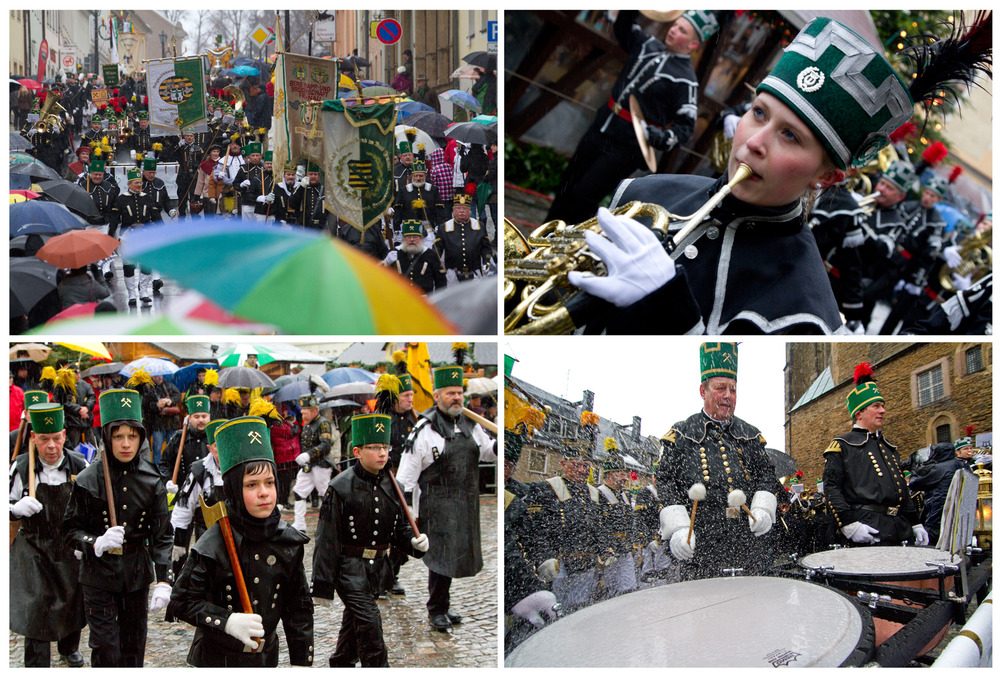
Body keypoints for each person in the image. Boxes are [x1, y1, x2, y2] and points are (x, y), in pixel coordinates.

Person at [563, 16, 990, 336]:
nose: (753, 142)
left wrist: (665, 309)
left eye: (789, 135)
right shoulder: (642, 191)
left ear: (826, 178)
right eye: (759, 113)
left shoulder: (807, 308)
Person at [167, 416, 314, 667]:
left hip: (266, 660)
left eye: (269, 483)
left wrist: (302, 664)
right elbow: (181, 603)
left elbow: (298, 611)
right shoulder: (213, 543)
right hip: (216, 660)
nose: (264, 493)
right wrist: (225, 620)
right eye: (251, 485)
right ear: (234, 489)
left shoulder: (287, 541)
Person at [545, 11, 716, 225]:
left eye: (682, 30)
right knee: (567, 184)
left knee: (584, 196)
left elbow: (685, 128)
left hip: (627, 148)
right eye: (675, 25)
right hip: (601, 127)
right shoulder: (647, 45)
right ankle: (541, 236)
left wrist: (661, 137)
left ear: (693, 45)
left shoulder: (687, 80)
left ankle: (561, 248)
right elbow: (623, 27)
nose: (673, 29)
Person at [63, 388, 173, 667]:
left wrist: (163, 579)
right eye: (118, 436)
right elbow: (69, 531)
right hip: (97, 575)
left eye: (132, 436)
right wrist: (95, 542)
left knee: (133, 647)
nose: (126, 444)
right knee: (106, 647)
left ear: (140, 437)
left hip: (136, 575)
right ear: (107, 437)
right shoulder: (88, 480)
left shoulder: (151, 479)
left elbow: (162, 535)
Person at [312, 413, 430, 666]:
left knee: (354, 624)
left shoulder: (394, 485)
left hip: (377, 569)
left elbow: (399, 530)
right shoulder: (340, 487)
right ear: (357, 451)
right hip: (348, 568)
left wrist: (415, 544)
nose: (382, 453)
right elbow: (326, 538)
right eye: (374, 447)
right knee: (370, 626)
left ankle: (341, 663)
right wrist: (322, 584)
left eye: (385, 447)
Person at [656, 343, 780, 580]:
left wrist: (763, 509)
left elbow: (766, 474)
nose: (728, 396)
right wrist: (679, 528)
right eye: (720, 388)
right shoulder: (682, 433)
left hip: (746, 537)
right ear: (703, 392)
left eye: (733, 389)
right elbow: (664, 480)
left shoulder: (750, 433)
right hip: (701, 537)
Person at [397, 365, 497, 632]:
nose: (457, 398)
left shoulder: (472, 424)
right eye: (450, 393)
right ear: (437, 395)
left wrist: (504, 442)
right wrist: (405, 511)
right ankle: (436, 609)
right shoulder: (423, 430)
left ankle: (444, 603)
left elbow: (488, 452)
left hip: (465, 503)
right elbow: (405, 477)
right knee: (440, 558)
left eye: (459, 393)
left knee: (453, 556)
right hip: (435, 505)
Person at [10, 403, 88, 667]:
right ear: (34, 438)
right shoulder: (21, 468)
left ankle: (69, 647)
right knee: (37, 608)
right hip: (34, 547)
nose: (52, 446)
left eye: (56, 438)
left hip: (68, 545)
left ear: (65, 436)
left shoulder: (80, 465)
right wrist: (13, 509)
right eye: (44, 440)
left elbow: (91, 505)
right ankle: (36, 663)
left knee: (71, 597)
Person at [821, 363, 928, 547]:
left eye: (883, 406)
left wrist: (915, 522)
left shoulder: (889, 448)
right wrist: (849, 525)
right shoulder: (842, 445)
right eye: (876, 406)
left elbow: (902, 490)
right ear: (860, 413)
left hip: (899, 529)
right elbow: (832, 488)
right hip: (867, 528)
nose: (883, 411)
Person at [514, 442, 601, 614]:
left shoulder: (593, 492)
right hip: (558, 560)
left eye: (586, 466)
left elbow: (596, 526)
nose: (582, 470)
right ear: (563, 464)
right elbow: (536, 530)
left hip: (586, 559)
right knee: (557, 608)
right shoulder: (545, 488)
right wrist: (544, 557)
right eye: (576, 465)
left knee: (581, 606)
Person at [170, 418, 227, 573]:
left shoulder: (243, 469)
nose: (223, 451)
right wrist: (179, 543)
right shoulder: (200, 472)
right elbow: (183, 508)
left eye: (227, 445)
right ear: (209, 448)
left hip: (238, 538)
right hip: (207, 540)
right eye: (217, 447)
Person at [908, 437, 975, 545]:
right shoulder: (963, 465)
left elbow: (914, 484)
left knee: (933, 548)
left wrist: (915, 469)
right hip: (960, 516)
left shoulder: (939, 468)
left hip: (938, 516)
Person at [109, 167, 156, 305]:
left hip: (145, 235)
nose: (139, 185)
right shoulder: (121, 199)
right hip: (127, 236)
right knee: (129, 266)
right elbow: (114, 220)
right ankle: (131, 294)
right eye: (136, 183)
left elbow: (156, 217)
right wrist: (110, 236)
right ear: (129, 184)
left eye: (140, 183)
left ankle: (144, 292)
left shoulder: (147, 198)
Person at [291, 395, 337, 533]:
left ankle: (329, 523)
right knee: (299, 492)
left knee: (325, 495)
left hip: (321, 465)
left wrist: (308, 454)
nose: (302, 413)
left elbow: (326, 445)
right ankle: (299, 523)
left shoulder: (323, 423)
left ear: (314, 411)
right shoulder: (307, 424)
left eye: (305, 411)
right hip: (309, 466)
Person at [159, 395, 212, 494]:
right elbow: (164, 464)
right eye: (196, 416)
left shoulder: (214, 438)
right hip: (183, 493)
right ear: (189, 418)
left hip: (209, 494)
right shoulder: (179, 438)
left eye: (204, 416)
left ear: (209, 417)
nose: (201, 420)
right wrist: (168, 481)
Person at [436, 194, 493, 284]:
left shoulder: (479, 226)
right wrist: (437, 262)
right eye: (458, 208)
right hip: (452, 274)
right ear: (453, 211)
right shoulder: (444, 227)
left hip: (474, 272)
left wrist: (487, 261)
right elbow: (437, 248)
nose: (462, 211)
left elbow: (486, 247)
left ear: (469, 211)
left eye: (465, 208)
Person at [383, 219, 447, 293]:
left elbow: (441, 282)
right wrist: (386, 263)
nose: (412, 240)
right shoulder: (395, 253)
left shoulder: (431, 255)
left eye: (415, 237)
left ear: (421, 238)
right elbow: (380, 276)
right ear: (403, 238)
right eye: (408, 237)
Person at [290, 162, 326, 229]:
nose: (313, 176)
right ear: (306, 175)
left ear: (319, 176)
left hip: (319, 228)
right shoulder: (300, 188)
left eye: (315, 174)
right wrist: (301, 187)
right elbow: (292, 204)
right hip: (302, 227)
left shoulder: (324, 191)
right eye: (310, 174)